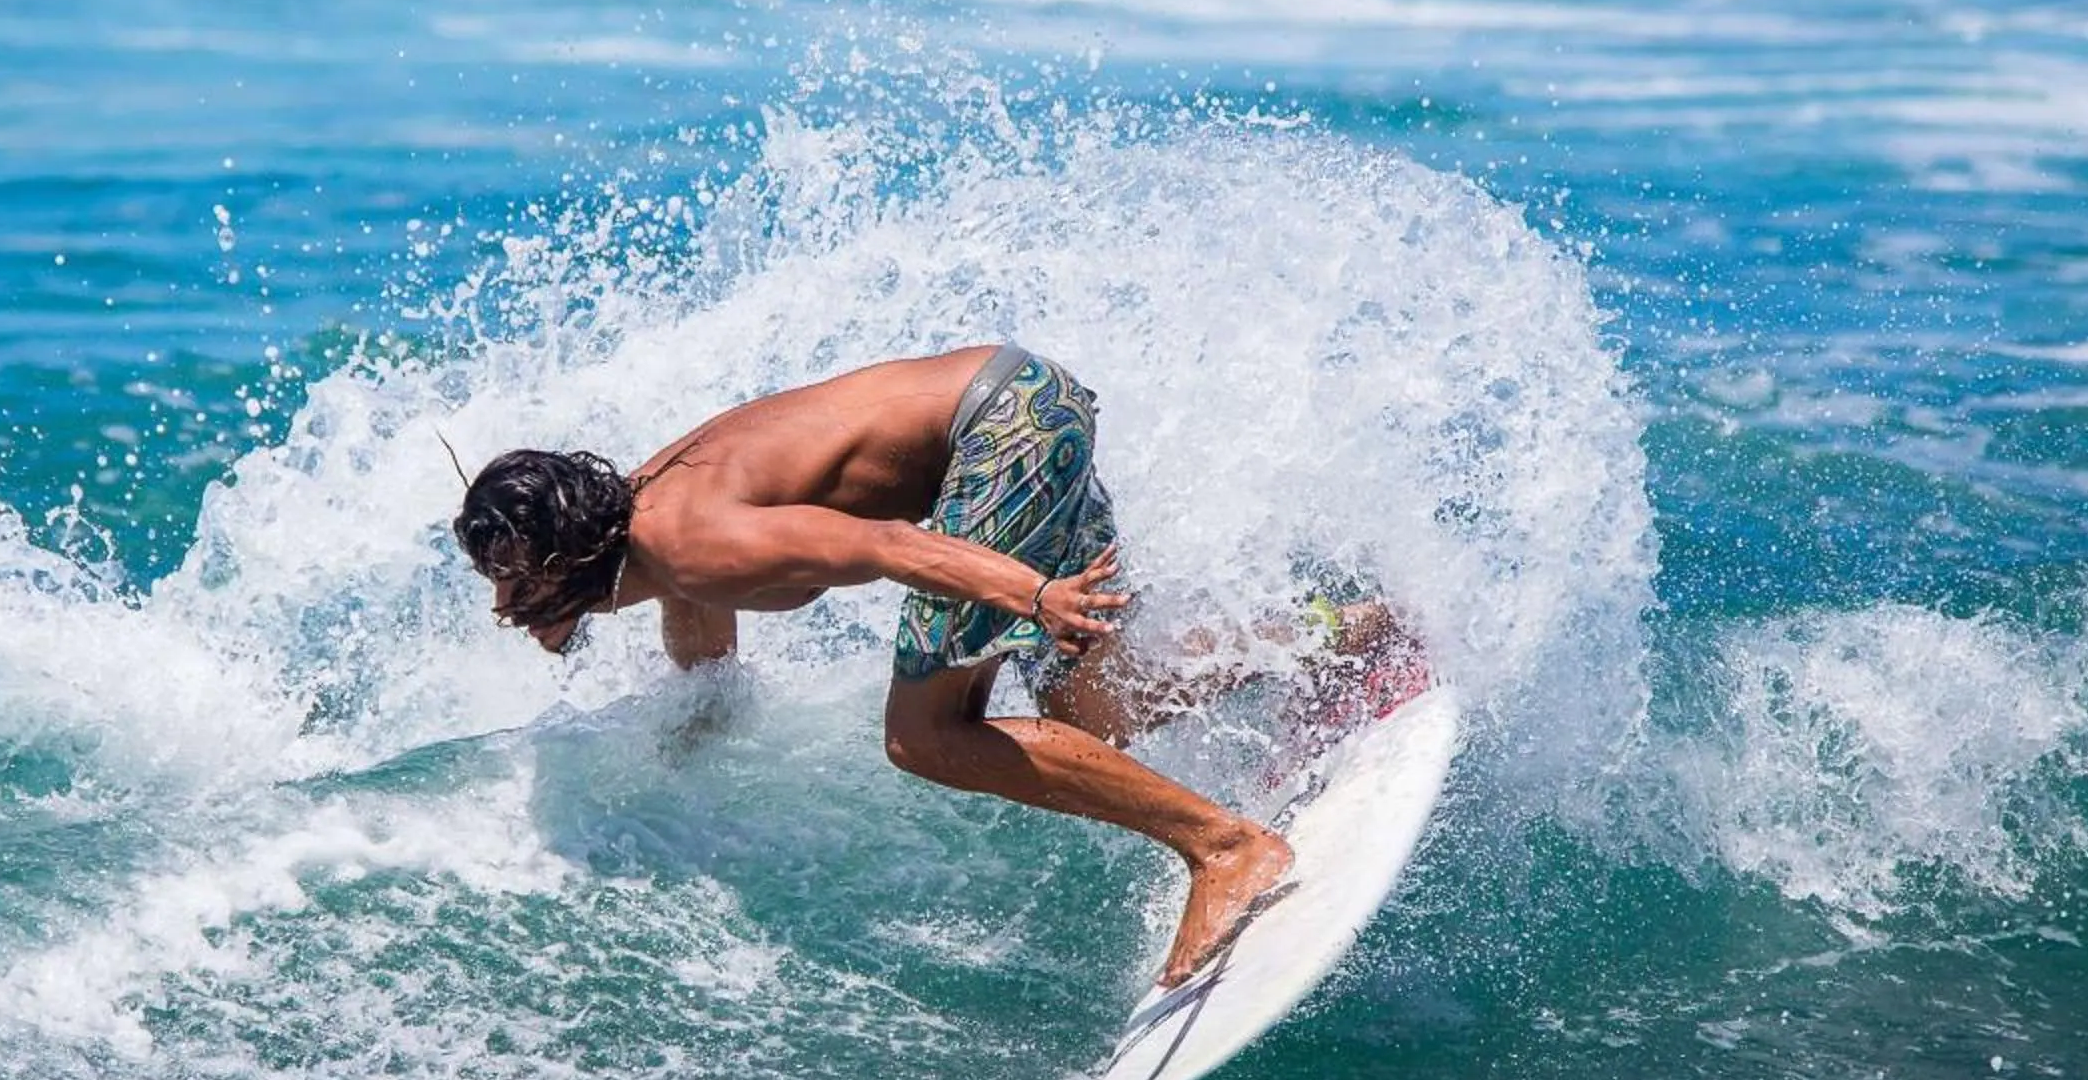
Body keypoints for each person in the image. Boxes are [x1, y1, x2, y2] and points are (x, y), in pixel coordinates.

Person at [450, 343, 1397, 987]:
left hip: (1002, 434)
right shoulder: (648, 531)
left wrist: (1032, 597)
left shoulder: (696, 542)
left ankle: (1227, 849)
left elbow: (889, 545)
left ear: (569, 556)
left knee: (927, 738)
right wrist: (697, 728)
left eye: (513, 580)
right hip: (1027, 401)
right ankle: (1339, 637)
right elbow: (700, 631)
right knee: (1091, 713)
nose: (504, 604)